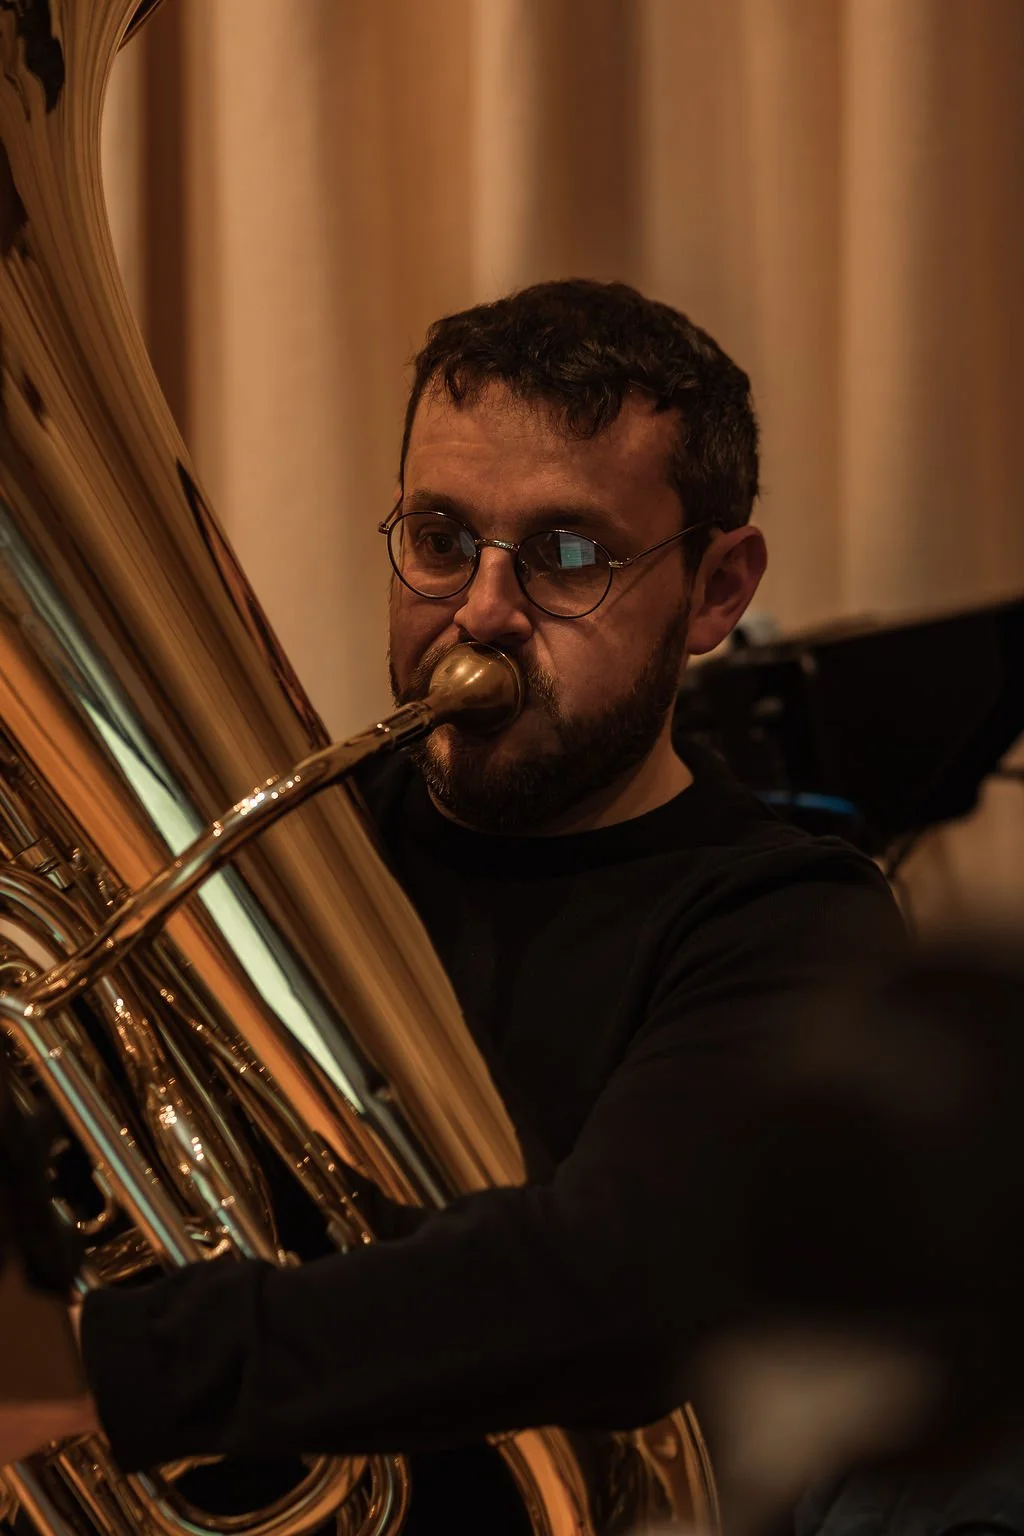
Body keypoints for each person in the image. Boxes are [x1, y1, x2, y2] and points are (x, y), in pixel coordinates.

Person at [0, 280, 906, 1531]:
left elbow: (612, 1286)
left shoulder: (792, 926)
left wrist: (91, 1367)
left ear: (713, 591)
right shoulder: (284, 853)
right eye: (438, 538)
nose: (480, 609)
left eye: (567, 555)